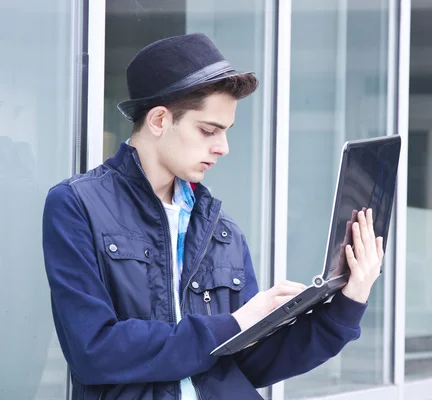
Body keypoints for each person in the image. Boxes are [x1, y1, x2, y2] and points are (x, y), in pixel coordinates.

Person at [42, 33, 385, 400]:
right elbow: (94, 350)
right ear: (159, 120)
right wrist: (235, 323)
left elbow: (253, 365)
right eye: (208, 130)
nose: (222, 147)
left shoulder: (221, 231)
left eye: (225, 132)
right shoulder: (76, 205)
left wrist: (350, 300)